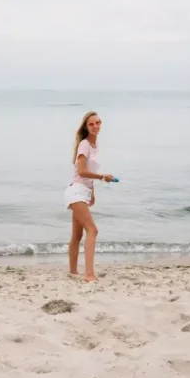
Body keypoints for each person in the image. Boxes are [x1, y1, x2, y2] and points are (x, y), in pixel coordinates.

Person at [64, 111, 114, 282]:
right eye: (91, 124)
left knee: (77, 236)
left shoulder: (95, 145)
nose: (95, 126)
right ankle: (89, 274)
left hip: (83, 192)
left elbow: (89, 172)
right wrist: (102, 177)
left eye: (98, 123)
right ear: (86, 127)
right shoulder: (84, 144)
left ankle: (73, 271)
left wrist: (92, 192)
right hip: (76, 191)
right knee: (93, 230)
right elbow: (81, 171)